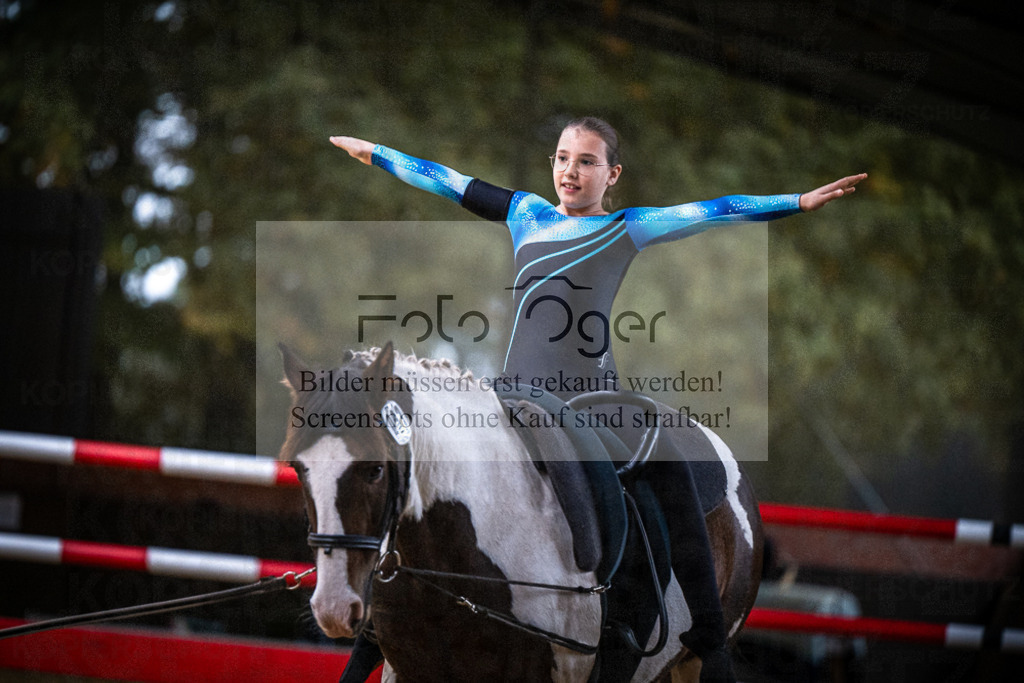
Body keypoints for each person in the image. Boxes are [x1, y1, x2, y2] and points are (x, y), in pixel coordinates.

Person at [329, 117, 865, 682]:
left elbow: (716, 209)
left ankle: (708, 640)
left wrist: (797, 201)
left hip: (591, 402)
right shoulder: (526, 213)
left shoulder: (625, 227)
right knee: (423, 482)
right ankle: (377, 633)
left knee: (667, 465)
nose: (570, 171)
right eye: (563, 158)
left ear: (612, 174)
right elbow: (448, 179)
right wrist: (376, 152)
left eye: (587, 161)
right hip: (511, 398)